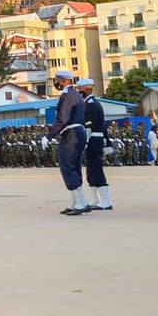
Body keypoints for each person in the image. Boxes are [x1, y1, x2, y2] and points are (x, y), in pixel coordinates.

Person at [51, 70, 89, 214]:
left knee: (67, 166)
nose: (56, 83)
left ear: (65, 81)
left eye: (58, 80)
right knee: (75, 166)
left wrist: (49, 135)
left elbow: (63, 118)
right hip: (78, 133)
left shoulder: (67, 96)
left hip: (70, 134)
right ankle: (77, 202)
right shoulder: (77, 95)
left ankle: (80, 203)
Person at [79, 77, 111, 211]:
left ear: (86, 89)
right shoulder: (88, 103)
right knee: (91, 171)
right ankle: (96, 200)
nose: (78, 92)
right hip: (92, 140)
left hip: (93, 140)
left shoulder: (91, 104)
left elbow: (91, 126)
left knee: (96, 169)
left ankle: (105, 201)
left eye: (79, 89)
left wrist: (84, 140)